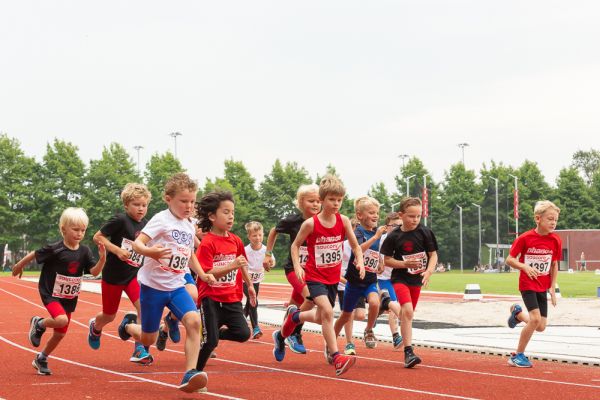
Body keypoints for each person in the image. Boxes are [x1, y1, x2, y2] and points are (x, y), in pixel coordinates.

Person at [118, 173, 216, 393]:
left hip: (177, 285)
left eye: (192, 201)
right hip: (153, 288)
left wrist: (202, 274)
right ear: (168, 199)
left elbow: (189, 254)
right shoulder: (161, 220)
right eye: (184, 201)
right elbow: (137, 244)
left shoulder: (189, 224)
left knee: (194, 322)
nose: (189, 206)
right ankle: (127, 325)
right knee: (148, 339)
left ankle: (190, 373)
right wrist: (151, 252)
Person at [274, 174, 365, 376]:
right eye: (332, 199)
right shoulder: (311, 224)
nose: (336, 204)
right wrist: (297, 266)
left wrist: (359, 260)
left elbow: (355, 246)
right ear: (322, 200)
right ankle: (337, 357)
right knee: (327, 311)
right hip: (314, 277)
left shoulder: (343, 221)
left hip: (332, 278)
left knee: (319, 316)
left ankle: (294, 317)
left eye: (339, 200)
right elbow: (295, 245)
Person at [12, 207, 106, 375]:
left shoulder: (84, 251)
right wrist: (19, 265)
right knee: (61, 320)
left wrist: (103, 259)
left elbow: (94, 272)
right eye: (75, 229)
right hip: (50, 293)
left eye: (83, 230)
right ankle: (39, 323)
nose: (79, 234)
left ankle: (41, 358)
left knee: (60, 334)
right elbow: (35, 254)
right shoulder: (55, 249)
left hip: (69, 297)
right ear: (64, 229)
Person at [88, 183, 153, 364]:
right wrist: (117, 250)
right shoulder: (120, 220)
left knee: (144, 307)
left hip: (134, 275)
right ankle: (95, 326)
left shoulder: (147, 225)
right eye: (136, 204)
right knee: (109, 315)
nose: (141, 209)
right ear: (126, 205)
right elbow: (97, 237)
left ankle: (139, 349)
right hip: (114, 276)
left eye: (144, 205)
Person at [195, 190, 257, 376]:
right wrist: (231, 266)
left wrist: (250, 286)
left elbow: (242, 264)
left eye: (233, 213)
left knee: (243, 334)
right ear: (212, 216)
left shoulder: (236, 241)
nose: (231, 216)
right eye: (226, 212)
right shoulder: (207, 243)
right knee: (210, 343)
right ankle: (195, 372)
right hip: (211, 299)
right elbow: (205, 272)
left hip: (231, 298)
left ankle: (214, 333)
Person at [263, 184, 321, 355]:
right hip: (294, 270)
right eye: (311, 201)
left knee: (295, 306)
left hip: (312, 272)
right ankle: (295, 333)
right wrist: (268, 254)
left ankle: (280, 337)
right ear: (301, 202)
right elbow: (274, 231)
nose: (316, 204)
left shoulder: (322, 221)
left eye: (318, 201)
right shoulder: (293, 221)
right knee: (310, 298)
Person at [381, 197, 438, 368]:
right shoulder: (394, 236)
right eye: (411, 216)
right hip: (400, 278)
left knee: (408, 314)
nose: (415, 220)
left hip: (416, 279)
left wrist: (428, 271)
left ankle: (387, 302)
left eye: (418, 216)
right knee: (407, 311)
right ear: (401, 215)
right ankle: (408, 352)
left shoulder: (425, 232)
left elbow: (433, 255)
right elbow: (387, 260)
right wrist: (404, 264)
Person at [506, 200, 562, 368]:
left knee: (540, 326)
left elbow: (554, 264)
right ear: (538, 218)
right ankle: (517, 355)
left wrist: (552, 287)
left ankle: (517, 315)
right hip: (527, 284)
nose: (553, 223)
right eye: (550, 219)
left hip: (542, 285)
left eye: (555, 220)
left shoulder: (555, 240)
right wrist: (524, 267)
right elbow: (509, 259)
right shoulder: (525, 238)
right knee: (535, 319)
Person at [333, 196, 384, 355]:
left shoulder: (376, 232)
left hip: (370, 280)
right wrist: (375, 237)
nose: (375, 216)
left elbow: (375, 251)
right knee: (345, 315)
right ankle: (330, 342)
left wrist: (380, 261)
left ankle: (368, 330)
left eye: (377, 213)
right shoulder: (358, 232)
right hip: (354, 282)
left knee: (375, 303)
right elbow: (359, 249)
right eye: (371, 213)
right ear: (360, 215)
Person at [336, 217, 366, 355]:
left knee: (360, 315)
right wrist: (344, 280)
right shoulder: (341, 246)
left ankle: (339, 323)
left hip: (358, 283)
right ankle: (349, 343)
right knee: (349, 314)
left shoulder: (362, 245)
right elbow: (334, 269)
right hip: (343, 284)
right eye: (356, 230)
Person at [377, 212, 403, 350]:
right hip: (384, 278)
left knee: (392, 305)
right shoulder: (381, 240)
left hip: (398, 278)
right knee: (394, 304)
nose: (398, 228)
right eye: (394, 226)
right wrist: (379, 263)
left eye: (400, 225)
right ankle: (396, 336)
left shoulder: (404, 238)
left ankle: (375, 313)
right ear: (386, 227)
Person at [244, 221, 272, 339]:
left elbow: (272, 260)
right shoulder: (245, 250)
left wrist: (271, 263)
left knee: (250, 302)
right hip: (245, 280)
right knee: (253, 300)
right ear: (249, 237)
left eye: (260, 235)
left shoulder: (266, 250)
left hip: (256, 280)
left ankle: (240, 319)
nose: (258, 238)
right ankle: (255, 327)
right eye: (254, 235)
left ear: (263, 235)